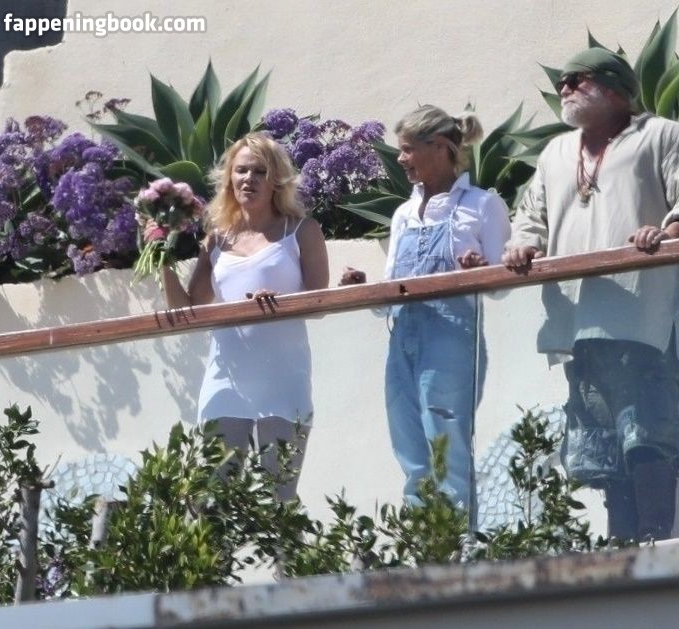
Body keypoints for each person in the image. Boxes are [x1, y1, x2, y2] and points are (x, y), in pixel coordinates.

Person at [502, 48, 679, 541]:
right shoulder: (555, 153)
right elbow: (531, 216)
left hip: (648, 317)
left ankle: (654, 539)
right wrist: (524, 245)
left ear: (613, 86)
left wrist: (665, 233)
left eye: (575, 79)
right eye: (561, 81)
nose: (564, 88)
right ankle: (621, 547)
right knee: (600, 446)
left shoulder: (663, 135)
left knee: (648, 433)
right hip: (579, 324)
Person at [341, 105, 510, 507]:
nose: (401, 159)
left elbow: (503, 287)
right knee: (411, 452)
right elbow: (390, 292)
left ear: (438, 147)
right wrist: (364, 288)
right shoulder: (403, 214)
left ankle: (459, 539)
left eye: (407, 149)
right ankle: (423, 538)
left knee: (447, 449)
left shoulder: (482, 205)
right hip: (402, 341)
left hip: (452, 341)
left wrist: (480, 271)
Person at [158, 132, 329, 501]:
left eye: (259, 171)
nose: (249, 179)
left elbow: (319, 303)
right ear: (229, 178)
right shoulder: (216, 239)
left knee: (278, 497)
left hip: (283, 381)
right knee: (211, 499)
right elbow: (188, 309)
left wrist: (280, 302)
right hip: (226, 382)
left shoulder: (302, 231)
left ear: (276, 180)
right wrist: (161, 257)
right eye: (241, 171)